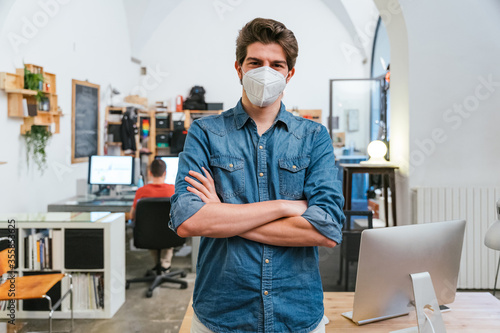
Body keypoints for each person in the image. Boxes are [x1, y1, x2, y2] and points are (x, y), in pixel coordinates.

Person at [170, 18, 345, 333]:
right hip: (222, 314)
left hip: (297, 313)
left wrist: (224, 217)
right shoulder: (205, 132)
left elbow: (327, 229)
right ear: (239, 68)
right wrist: (285, 206)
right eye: (255, 62)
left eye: (276, 64)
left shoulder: (313, 136)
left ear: (289, 74)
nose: (266, 71)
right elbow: (187, 220)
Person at [130, 159, 175, 272]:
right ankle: (165, 265)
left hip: (148, 234)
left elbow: (131, 215)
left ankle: (158, 264)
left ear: (149, 173)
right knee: (169, 227)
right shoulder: (174, 190)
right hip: (171, 234)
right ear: (165, 173)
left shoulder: (141, 191)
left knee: (150, 229)